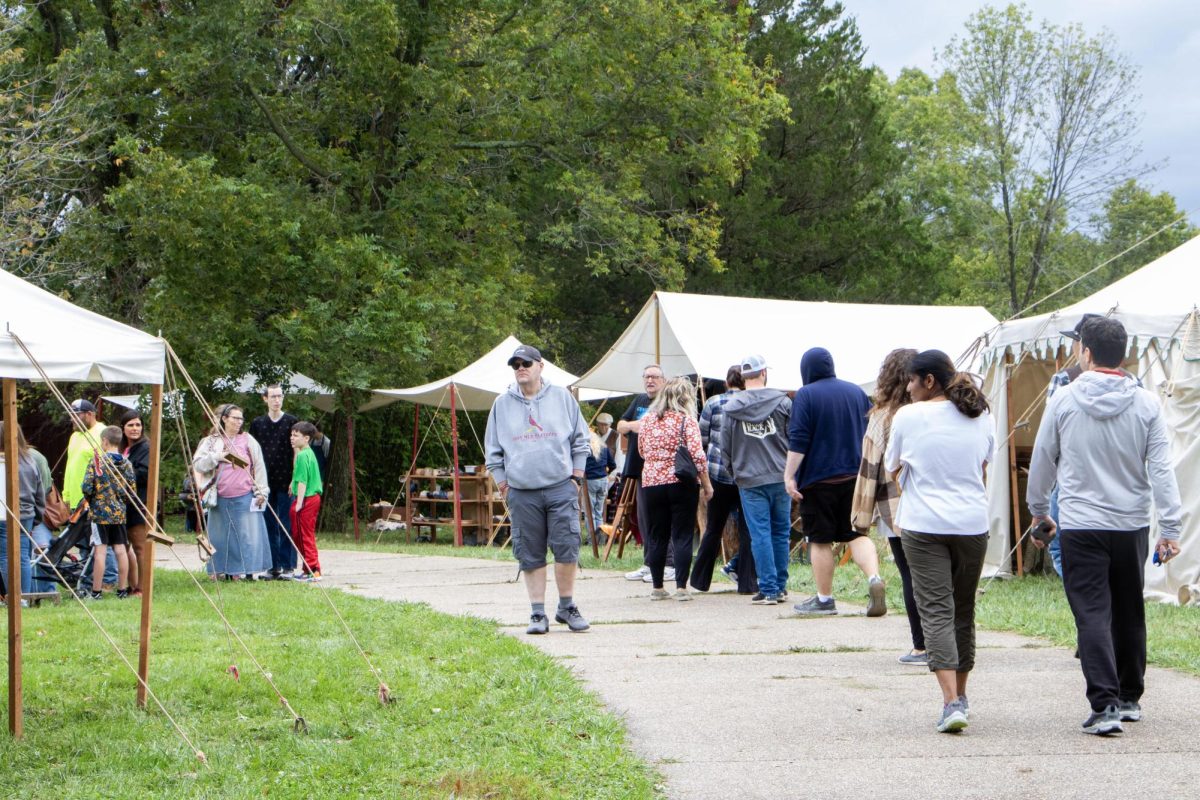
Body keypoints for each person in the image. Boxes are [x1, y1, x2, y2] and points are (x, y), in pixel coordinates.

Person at [1027, 317, 1182, 736]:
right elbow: (1163, 470)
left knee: (1092, 613)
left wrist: (1039, 510)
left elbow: (1042, 459)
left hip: (1080, 523)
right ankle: (1130, 696)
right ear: (1124, 353)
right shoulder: (1147, 403)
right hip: (1130, 522)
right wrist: (1170, 527)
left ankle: (1105, 705)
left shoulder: (1063, 400)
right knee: (1129, 609)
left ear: (1087, 352)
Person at [884, 350, 994, 733]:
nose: (908, 388)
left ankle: (950, 703)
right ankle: (960, 696)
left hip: (924, 524)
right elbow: (982, 466)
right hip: (971, 524)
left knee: (935, 610)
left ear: (928, 381)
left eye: (912, 381)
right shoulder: (981, 414)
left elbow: (891, 466)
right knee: (963, 609)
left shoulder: (908, 417)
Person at [485, 344, 591, 634]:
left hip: (560, 487)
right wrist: (504, 485)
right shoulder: (501, 404)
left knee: (567, 547)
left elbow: (581, 441)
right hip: (521, 491)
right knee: (529, 553)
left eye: (526, 363)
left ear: (540, 366)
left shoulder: (562, 397)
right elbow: (493, 453)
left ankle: (567, 607)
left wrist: (576, 478)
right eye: (516, 364)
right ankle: (536, 613)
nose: (520, 367)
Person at [784, 347, 885, 617]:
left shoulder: (805, 394)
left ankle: (825, 599)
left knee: (820, 540)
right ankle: (874, 578)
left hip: (818, 480)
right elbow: (870, 432)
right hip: (855, 477)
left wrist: (789, 475)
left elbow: (799, 439)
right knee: (857, 533)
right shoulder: (856, 392)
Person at [852, 348, 925, 663]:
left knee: (911, 575)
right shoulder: (937, 411)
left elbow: (868, 473)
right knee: (939, 576)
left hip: (895, 509)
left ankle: (921, 645)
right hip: (939, 507)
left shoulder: (881, 418)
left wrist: (860, 519)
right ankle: (949, 640)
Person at [720, 355, 794, 604]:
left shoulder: (732, 407)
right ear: (764, 373)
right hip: (780, 475)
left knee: (760, 533)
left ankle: (769, 588)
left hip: (749, 478)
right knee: (781, 532)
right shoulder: (783, 402)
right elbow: (793, 439)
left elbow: (725, 445)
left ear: (743, 376)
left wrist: (734, 472)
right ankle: (780, 586)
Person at [638, 377, 713, 600]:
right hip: (681, 482)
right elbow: (698, 456)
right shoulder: (686, 421)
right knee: (682, 534)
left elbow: (642, 451)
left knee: (657, 535)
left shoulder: (648, 420)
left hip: (652, 483)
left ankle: (658, 587)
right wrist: (707, 484)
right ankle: (681, 588)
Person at [690, 365, 755, 594]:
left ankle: (699, 580)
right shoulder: (753, 402)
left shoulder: (713, 403)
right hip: (747, 475)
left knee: (713, 529)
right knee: (749, 531)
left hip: (717, 474)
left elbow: (702, 438)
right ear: (746, 382)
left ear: (726, 382)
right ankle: (748, 583)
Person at [193, 404, 273, 581]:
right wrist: (217, 457)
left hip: (244, 495)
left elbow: (259, 466)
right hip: (219, 496)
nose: (239, 422)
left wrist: (261, 492)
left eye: (241, 418)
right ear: (224, 419)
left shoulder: (247, 439)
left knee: (245, 536)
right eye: (235, 418)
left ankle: (240, 571)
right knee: (218, 536)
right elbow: (198, 464)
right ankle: (218, 569)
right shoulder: (211, 441)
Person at [620, 365, 670, 583]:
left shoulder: (667, 401)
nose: (650, 380)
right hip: (638, 467)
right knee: (644, 518)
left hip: (660, 468)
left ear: (663, 380)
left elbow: (656, 428)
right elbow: (621, 425)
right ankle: (649, 562)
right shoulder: (639, 400)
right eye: (647, 376)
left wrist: (641, 426)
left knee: (660, 516)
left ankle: (666, 564)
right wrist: (635, 425)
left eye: (654, 377)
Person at [62, 399, 117, 587]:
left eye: (76, 414)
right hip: (76, 500)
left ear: (89, 414)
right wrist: (67, 496)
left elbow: (107, 467)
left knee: (101, 541)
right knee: (84, 543)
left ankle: (109, 580)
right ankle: (89, 578)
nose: (72, 419)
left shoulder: (102, 433)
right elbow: (71, 466)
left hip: (94, 499)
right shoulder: (75, 436)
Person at [248, 385, 299, 579]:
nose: (277, 400)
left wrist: (294, 479)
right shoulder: (258, 424)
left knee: (286, 522)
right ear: (265, 399)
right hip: (264, 482)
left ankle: (287, 565)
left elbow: (297, 452)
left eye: (279, 396)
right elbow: (251, 453)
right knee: (268, 523)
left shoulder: (291, 422)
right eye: (273, 396)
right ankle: (272, 565)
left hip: (286, 479)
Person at [80, 426, 136, 599]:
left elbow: (87, 486)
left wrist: (91, 498)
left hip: (99, 513)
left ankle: (96, 591)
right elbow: (131, 490)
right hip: (119, 512)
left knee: (100, 551)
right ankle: (122, 589)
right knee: (121, 549)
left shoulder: (98, 462)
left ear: (104, 441)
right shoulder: (127, 463)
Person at [0, 422, 45, 601]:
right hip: (26, 514)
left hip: (4, 515)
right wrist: (36, 517)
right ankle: (23, 598)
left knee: (5, 557)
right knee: (23, 557)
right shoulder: (30, 461)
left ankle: (10, 598)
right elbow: (40, 493)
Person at [119, 410, 151, 596]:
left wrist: (121, 472)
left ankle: (143, 588)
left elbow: (144, 474)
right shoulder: (124, 449)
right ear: (123, 428)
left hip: (138, 503)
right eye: (130, 425)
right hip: (122, 504)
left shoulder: (145, 447)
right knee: (124, 547)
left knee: (140, 547)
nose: (135, 428)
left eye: (138, 424)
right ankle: (131, 586)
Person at [289, 421, 324, 581]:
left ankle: (313, 569)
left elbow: (303, 481)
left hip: (307, 499)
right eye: (292, 435)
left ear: (306, 438)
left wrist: (299, 502)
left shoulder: (303, 455)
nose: (292, 438)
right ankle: (307, 569)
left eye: (296, 436)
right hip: (310, 498)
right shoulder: (307, 452)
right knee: (301, 535)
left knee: (303, 535)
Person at [583, 429, 616, 544]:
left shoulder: (585, 449)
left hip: (590, 481)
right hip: (603, 480)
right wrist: (605, 473)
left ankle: (592, 540)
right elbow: (613, 465)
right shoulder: (604, 448)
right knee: (599, 512)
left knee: (589, 512)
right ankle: (600, 540)